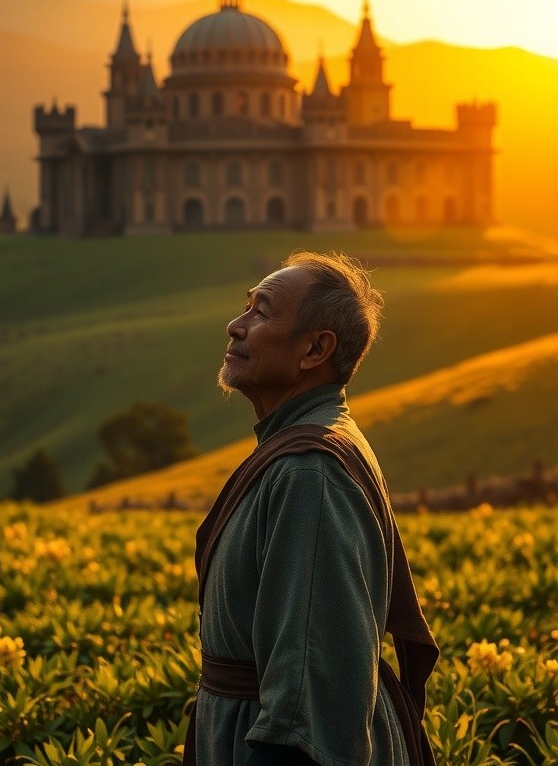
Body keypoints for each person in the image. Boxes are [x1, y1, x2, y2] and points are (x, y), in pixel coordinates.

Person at [183, 251, 438, 766]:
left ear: (315, 349)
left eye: (262, 311)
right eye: (245, 306)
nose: (235, 326)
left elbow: (310, 708)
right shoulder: (302, 446)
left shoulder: (309, 474)